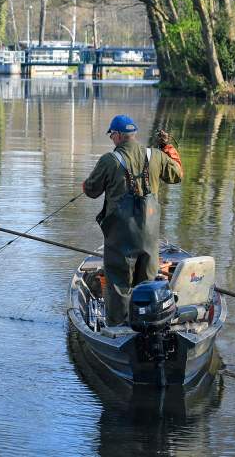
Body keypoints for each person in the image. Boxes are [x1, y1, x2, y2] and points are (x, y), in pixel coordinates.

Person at [82, 114, 183, 326]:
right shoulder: (155, 156)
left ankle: (119, 331)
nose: (111, 139)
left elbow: (91, 191)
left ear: (118, 135)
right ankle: (146, 326)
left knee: (119, 286)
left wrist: (85, 184)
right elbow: (177, 174)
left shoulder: (109, 161)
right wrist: (167, 149)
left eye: (111, 135)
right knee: (147, 285)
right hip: (149, 238)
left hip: (120, 239)